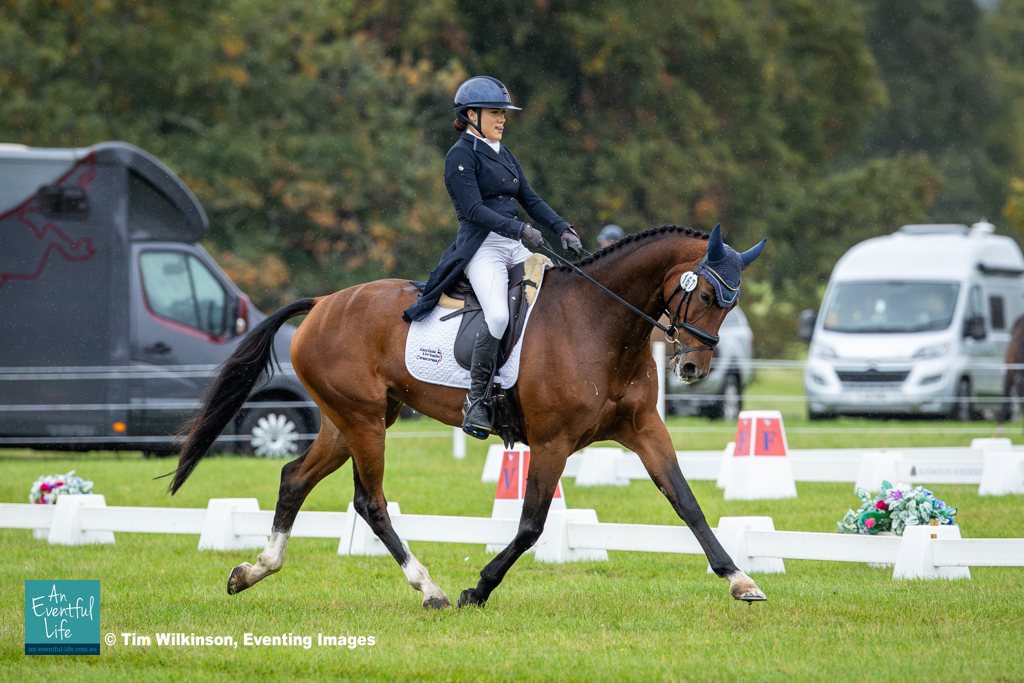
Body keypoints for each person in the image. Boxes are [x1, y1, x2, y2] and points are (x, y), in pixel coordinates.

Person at [402, 76, 583, 439]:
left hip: (513, 244)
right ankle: (477, 397)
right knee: (498, 314)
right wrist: (518, 230)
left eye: (503, 114)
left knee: (553, 298)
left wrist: (563, 227)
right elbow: (472, 210)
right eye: (495, 113)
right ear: (471, 115)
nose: (502, 120)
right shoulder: (460, 155)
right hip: (481, 247)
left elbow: (529, 200)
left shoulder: (505, 153)